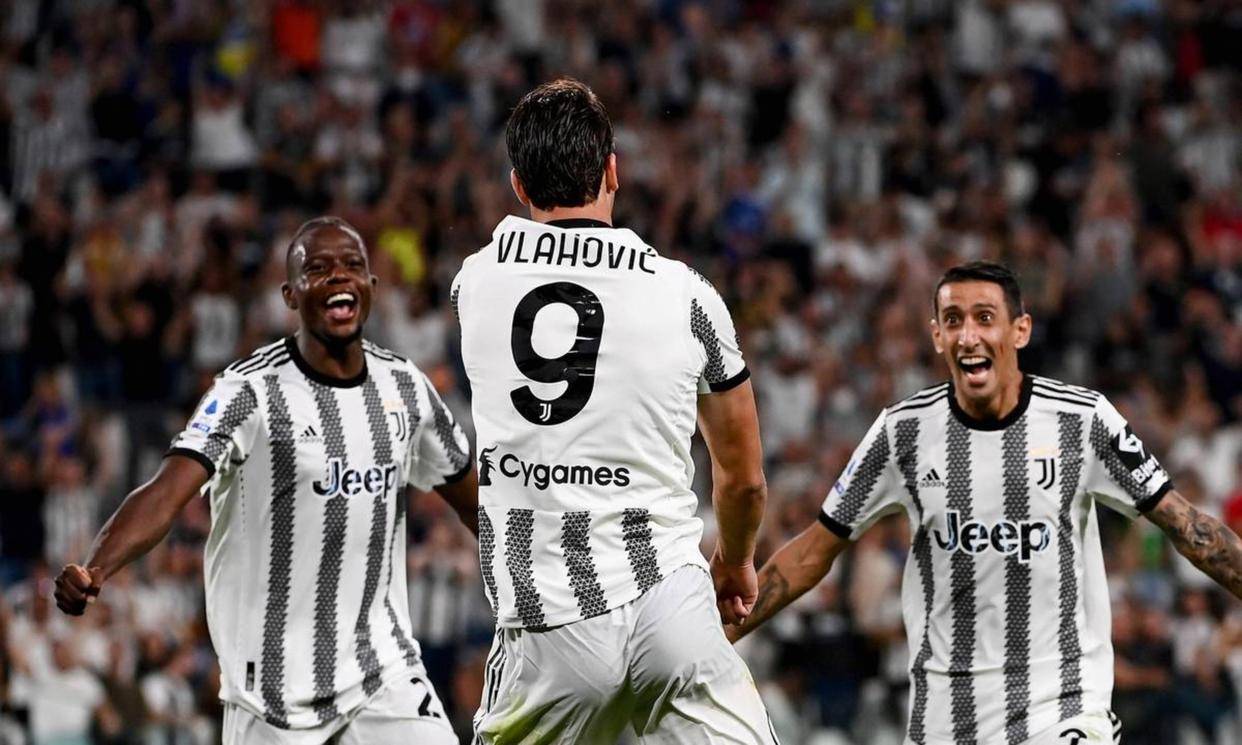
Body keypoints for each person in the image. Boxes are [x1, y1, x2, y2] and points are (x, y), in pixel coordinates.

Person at [729, 260, 1242, 744]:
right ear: (937, 336)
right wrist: (712, 631)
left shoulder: (1083, 421)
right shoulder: (901, 433)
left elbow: (1189, 528)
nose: (968, 335)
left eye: (984, 318)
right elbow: (813, 550)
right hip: (945, 720)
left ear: (1020, 330)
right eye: (953, 320)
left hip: (1062, 710)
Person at [54, 217, 479, 745]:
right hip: (270, 696)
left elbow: (473, 499)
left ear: (371, 286)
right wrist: (96, 566)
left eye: (352, 265)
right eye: (317, 268)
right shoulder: (247, 392)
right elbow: (166, 492)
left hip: (382, 674)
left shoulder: (405, 388)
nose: (338, 276)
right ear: (290, 295)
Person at [452, 78, 777, 743]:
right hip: (670, 605)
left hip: (549, 624)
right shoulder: (688, 296)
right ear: (612, 172)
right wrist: (736, 559)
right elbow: (742, 479)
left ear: (518, 185)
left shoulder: (475, 283)